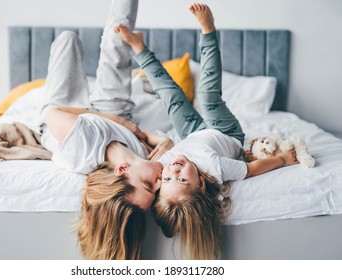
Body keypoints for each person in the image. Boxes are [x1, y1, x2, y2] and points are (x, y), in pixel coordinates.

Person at [115, 3, 298, 259]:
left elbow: (146, 159)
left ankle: (139, 48)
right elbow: (253, 169)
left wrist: (159, 141)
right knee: (207, 96)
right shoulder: (217, 168)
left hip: (193, 132)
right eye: (182, 179)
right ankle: (208, 30)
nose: (174, 172)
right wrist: (282, 159)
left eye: (168, 180)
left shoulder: (164, 166)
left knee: (171, 97)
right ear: (201, 183)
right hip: (226, 132)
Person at [40, 0, 172, 259]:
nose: (159, 184)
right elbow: (161, 141)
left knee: (67, 39)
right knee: (116, 46)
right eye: (156, 191)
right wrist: (167, 142)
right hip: (112, 122)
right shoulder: (146, 162)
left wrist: (118, 122)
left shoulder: (81, 149)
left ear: (122, 170)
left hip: (65, 116)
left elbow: (52, 114)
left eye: (149, 185)